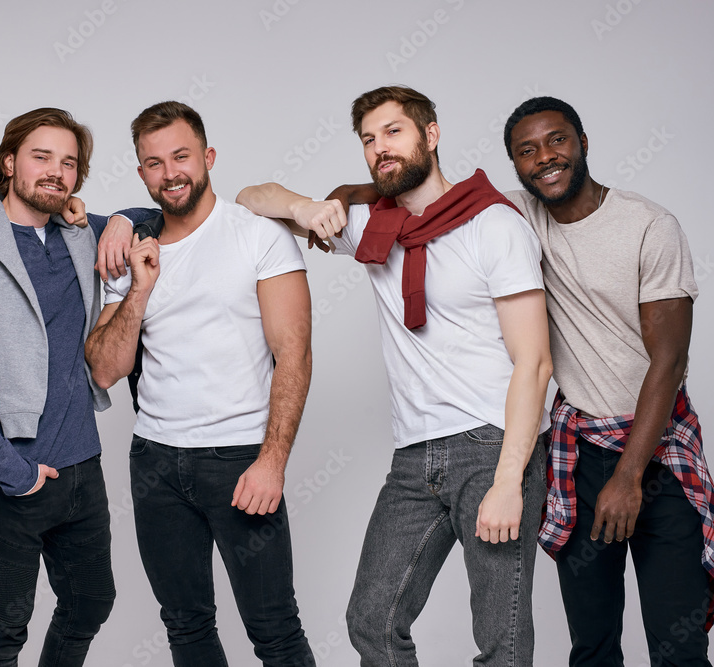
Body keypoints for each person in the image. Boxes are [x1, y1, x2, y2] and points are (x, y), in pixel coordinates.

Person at [236, 85, 553, 667]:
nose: (380, 148)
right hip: (414, 456)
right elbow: (250, 198)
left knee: (500, 643)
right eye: (368, 139)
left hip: (493, 446)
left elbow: (535, 361)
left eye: (394, 132)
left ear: (431, 135)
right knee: (372, 623)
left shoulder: (493, 226)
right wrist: (307, 208)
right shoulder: (376, 228)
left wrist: (509, 480)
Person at [85, 101, 316, 666]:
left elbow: (295, 355)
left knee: (275, 630)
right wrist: (139, 287)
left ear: (208, 157)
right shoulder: (131, 251)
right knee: (185, 627)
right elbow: (103, 368)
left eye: (182, 156)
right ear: (141, 174)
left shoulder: (258, 236)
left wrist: (273, 461)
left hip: (239, 458)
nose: (171, 173)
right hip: (156, 462)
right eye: (154, 163)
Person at [0, 107, 151, 666]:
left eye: (69, 163)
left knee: (91, 602)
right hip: (10, 476)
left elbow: (160, 214)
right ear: (9, 163)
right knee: (5, 630)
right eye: (41, 157)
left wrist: (122, 218)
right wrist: (14, 473)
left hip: (82, 462)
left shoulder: (81, 234)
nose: (56, 172)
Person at [503, 96, 713, 667]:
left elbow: (669, 361)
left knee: (680, 648)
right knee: (592, 647)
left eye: (557, 141)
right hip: (580, 459)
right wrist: (349, 196)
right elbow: (433, 196)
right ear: (517, 167)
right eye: (528, 151)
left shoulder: (650, 225)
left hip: (658, 458)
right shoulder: (518, 216)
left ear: (583, 142)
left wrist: (628, 477)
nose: (545, 157)